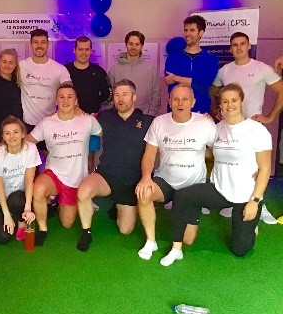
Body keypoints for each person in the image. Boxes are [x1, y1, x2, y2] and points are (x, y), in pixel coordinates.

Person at [160, 83, 271, 266]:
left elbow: (265, 168)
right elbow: (211, 153)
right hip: (219, 190)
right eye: (225, 101)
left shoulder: (256, 130)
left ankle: (252, 224)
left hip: (246, 196)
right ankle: (176, 248)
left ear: (242, 101)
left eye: (234, 100)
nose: (229, 105)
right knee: (182, 195)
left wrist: (255, 200)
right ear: (220, 104)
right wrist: (185, 144)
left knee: (240, 250)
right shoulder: (217, 128)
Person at [135, 84, 216, 260]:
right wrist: (146, 178)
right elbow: (149, 155)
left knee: (188, 240)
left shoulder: (205, 123)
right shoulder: (159, 122)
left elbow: (217, 152)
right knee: (144, 193)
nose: (180, 103)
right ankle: (151, 241)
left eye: (185, 99)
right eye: (176, 99)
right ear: (170, 101)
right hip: (166, 180)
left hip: (192, 186)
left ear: (192, 102)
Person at [210, 32, 283, 224]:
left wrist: (270, 116)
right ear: (230, 48)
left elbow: (281, 89)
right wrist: (216, 110)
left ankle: (260, 204)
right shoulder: (224, 70)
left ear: (248, 46)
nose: (238, 48)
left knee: (259, 169)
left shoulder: (261, 68)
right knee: (234, 166)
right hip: (230, 127)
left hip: (252, 127)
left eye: (242, 44)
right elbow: (215, 91)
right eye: (234, 45)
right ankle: (231, 203)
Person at [76, 80, 154, 252]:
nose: (120, 99)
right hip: (106, 175)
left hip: (131, 182)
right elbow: (84, 124)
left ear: (134, 97)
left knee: (125, 230)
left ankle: (113, 204)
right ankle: (86, 232)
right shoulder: (104, 117)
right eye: (117, 95)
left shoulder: (149, 121)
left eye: (125, 95)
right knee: (83, 191)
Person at [26, 83, 102, 246]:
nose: (65, 100)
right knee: (38, 189)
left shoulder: (88, 121)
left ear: (76, 101)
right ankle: (43, 228)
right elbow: (27, 141)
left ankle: (55, 201)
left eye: (69, 97)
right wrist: (3, 144)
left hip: (76, 178)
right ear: (56, 100)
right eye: (61, 97)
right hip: (54, 173)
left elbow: (105, 134)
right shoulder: (47, 123)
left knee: (67, 224)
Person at [0, 116, 39, 243]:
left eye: (16, 132)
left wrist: (27, 208)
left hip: (17, 197)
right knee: (3, 238)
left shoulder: (30, 149)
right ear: (3, 137)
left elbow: (29, 181)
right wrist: (6, 215)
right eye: (7, 133)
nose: (12, 136)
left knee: (17, 200)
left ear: (23, 134)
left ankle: (21, 222)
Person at [19, 29, 72, 135]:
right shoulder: (20, 66)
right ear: (31, 44)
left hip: (50, 123)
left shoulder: (59, 69)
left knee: (51, 152)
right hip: (26, 124)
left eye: (43, 42)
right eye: (35, 42)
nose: (39, 46)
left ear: (48, 44)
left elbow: (70, 93)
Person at [165, 15, 219, 113]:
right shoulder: (173, 58)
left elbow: (204, 84)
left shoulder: (211, 59)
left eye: (192, 30)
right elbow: (171, 84)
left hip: (201, 112)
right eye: (186, 30)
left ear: (201, 33)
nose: (187, 34)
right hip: (176, 113)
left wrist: (176, 78)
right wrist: (193, 82)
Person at [108, 31, 160, 116]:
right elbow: (110, 97)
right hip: (120, 117)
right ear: (126, 45)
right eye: (131, 44)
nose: (133, 47)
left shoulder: (151, 69)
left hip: (145, 117)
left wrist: (150, 115)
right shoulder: (115, 70)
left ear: (142, 46)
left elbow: (156, 95)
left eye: (137, 44)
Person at [65, 36, 110, 115]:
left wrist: (95, 104)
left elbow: (106, 94)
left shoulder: (99, 71)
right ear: (74, 50)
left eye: (87, 49)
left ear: (91, 51)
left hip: (92, 116)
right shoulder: (65, 70)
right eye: (80, 49)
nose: (84, 53)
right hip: (69, 116)